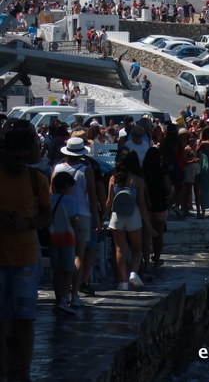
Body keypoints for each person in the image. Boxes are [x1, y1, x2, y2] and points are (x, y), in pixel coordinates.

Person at [0, 119, 49, 380]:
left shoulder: (36, 180)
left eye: (23, 157)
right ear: (5, 154)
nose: (20, 162)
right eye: (15, 157)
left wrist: (28, 223)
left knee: (25, 319)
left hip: (26, 260)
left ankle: (25, 371)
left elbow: (46, 217)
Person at [51, 137, 99, 308]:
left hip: (60, 215)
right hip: (83, 214)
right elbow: (92, 196)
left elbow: (52, 191)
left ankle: (61, 295)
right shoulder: (86, 170)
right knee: (78, 254)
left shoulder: (57, 168)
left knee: (61, 255)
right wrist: (97, 217)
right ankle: (74, 293)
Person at [105, 149, 154, 291]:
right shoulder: (138, 180)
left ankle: (124, 281)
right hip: (133, 215)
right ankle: (133, 272)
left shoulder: (113, 178)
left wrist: (103, 217)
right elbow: (142, 204)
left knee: (120, 249)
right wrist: (149, 225)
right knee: (137, 249)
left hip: (117, 216)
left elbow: (109, 202)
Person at [48, 171, 79, 316]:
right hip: (68, 238)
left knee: (57, 270)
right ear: (67, 186)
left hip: (53, 238)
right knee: (68, 270)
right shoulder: (70, 200)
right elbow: (74, 220)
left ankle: (57, 298)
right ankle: (64, 299)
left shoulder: (50, 199)